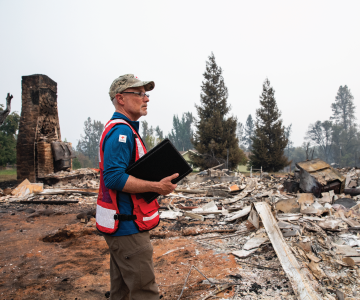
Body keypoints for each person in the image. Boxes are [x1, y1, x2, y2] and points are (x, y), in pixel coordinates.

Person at [96, 74, 178, 300]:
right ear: (120, 98)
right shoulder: (121, 132)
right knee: (145, 292)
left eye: (146, 94)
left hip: (121, 225)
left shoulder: (123, 129)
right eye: (139, 94)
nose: (146, 99)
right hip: (127, 227)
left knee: (121, 291)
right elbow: (113, 178)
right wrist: (156, 186)